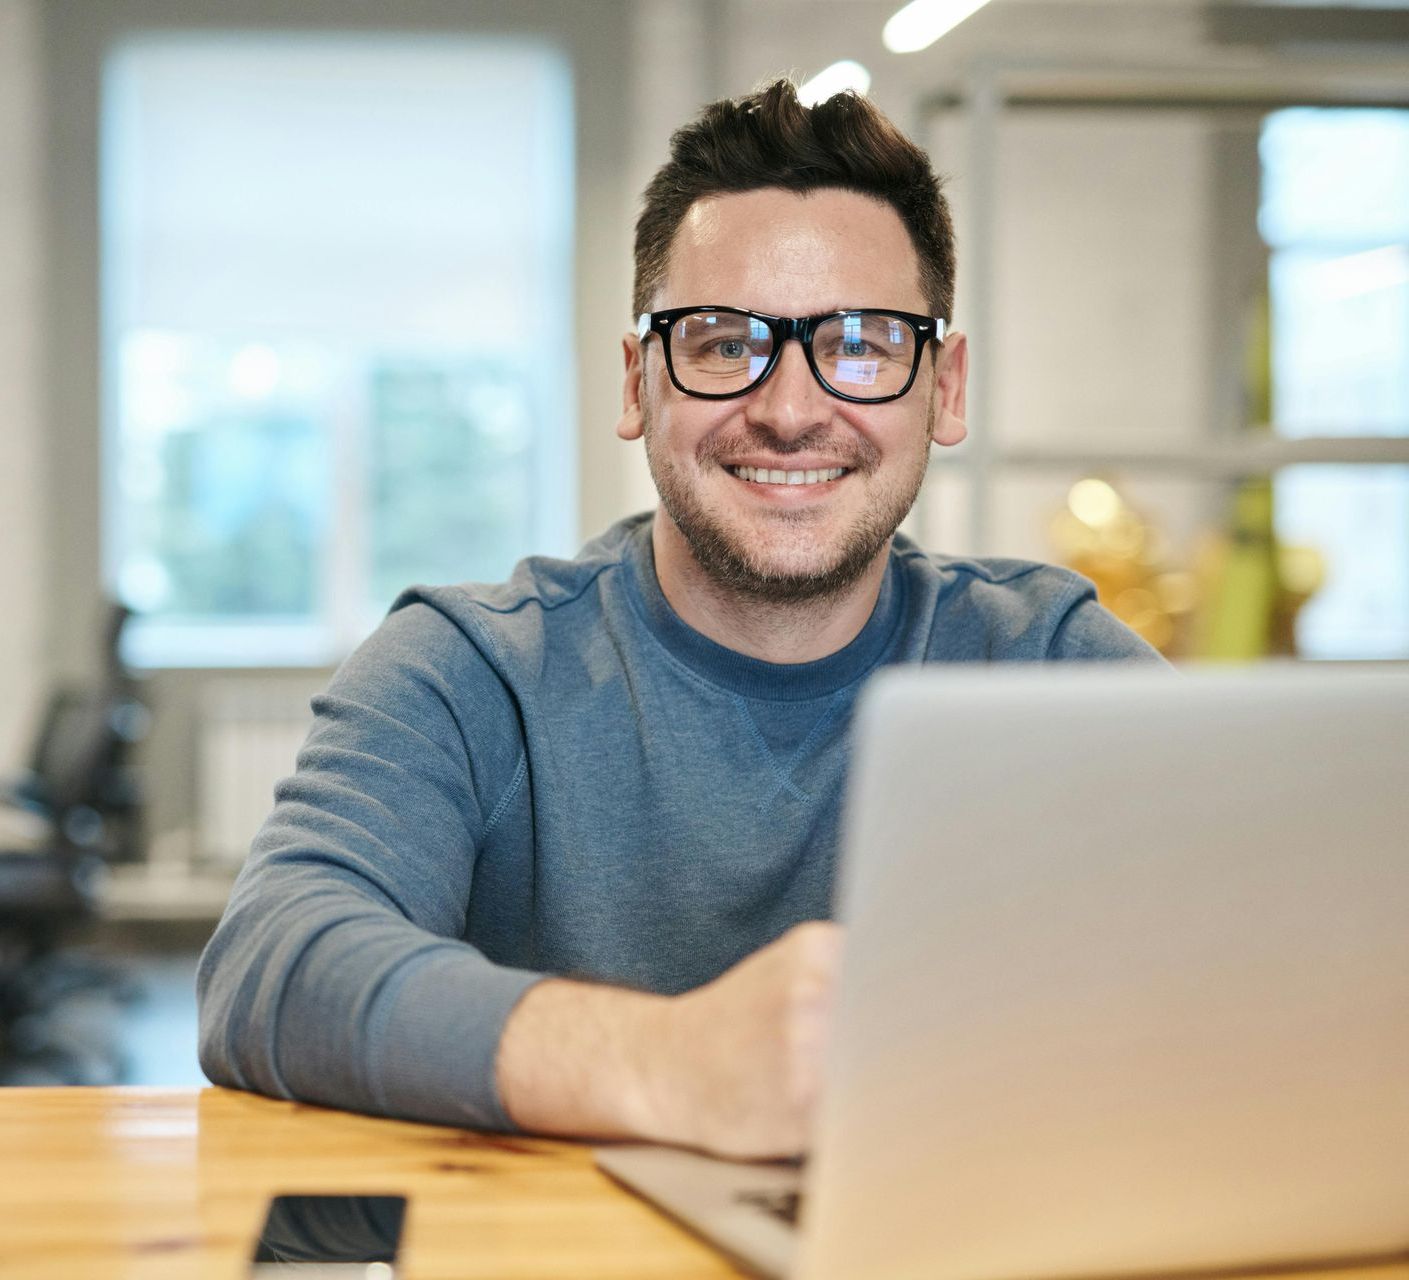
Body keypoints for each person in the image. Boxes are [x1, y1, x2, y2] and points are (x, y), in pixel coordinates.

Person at [197, 79, 1161, 1161]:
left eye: (859, 342)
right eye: (717, 342)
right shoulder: (469, 670)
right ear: (635, 382)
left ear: (941, 386)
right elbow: (274, 966)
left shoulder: (1050, 665)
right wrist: (669, 1060)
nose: (791, 410)